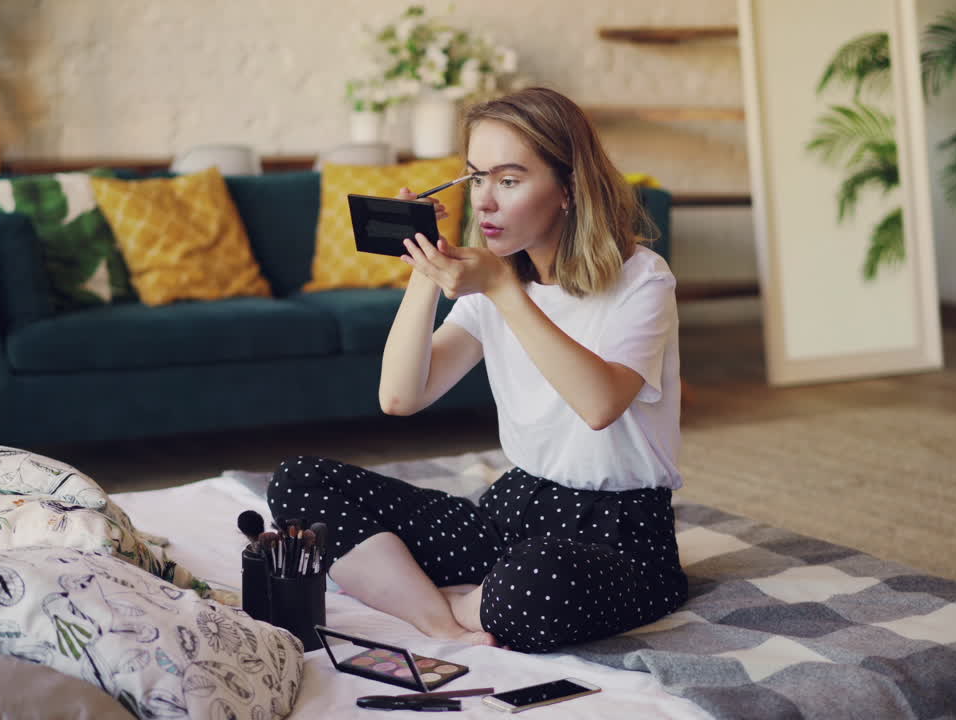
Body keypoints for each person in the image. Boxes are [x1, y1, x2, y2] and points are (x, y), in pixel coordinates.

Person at [268, 87, 686, 653]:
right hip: (512, 509)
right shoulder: (495, 282)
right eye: (476, 178)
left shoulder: (642, 278)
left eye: (509, 181)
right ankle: (442, 620)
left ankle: (459, 600)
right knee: (300, 481)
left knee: (536, 586)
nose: (485, 201)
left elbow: (599, 404)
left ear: (567, 189)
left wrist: (503, 290)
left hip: (618, 533)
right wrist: (424, 269)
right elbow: (400, 397)